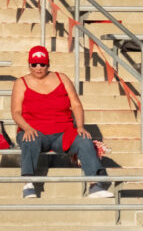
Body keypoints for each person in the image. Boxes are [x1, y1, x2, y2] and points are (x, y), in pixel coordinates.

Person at [10, 46, 113, 199]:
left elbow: (76, 104)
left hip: (62, 133)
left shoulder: (61, 78)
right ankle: (28, 184)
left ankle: (94, 185)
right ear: (29, 64)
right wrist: (27, 128)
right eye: (34, 64)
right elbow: (16, 112)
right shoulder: (21, 82)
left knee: (84, 139)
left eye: (42, 64)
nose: (38, 68)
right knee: (29, 138)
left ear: (48, 64)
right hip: (35, 131)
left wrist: (80, 126)